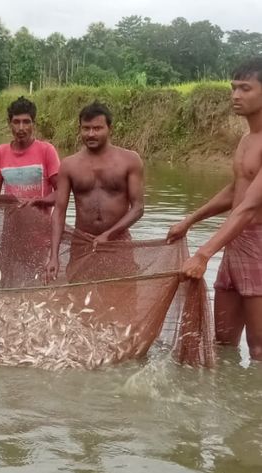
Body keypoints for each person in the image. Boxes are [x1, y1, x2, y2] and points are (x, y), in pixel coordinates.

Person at [167, 57, 262, 360]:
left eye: (245, 88)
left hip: (258, 247)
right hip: (234, 245)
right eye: (233, 88)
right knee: (222, 343)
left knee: (259, 348)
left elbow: (249, 207)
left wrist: (203, 253)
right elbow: (236, 190)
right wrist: (190, 220)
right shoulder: (247, 140)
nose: (235, 95)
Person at [45, 102, 145, 283]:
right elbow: (59, 212)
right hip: (82, 242)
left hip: (118, 243)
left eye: (97, 128)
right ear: (80, 129)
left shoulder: (130, 160)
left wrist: (109, 235)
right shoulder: (69, 165)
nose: (91, 134)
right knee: (78, 302)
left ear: (109, 128)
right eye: (86, 128)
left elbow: (138, 208)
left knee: (123, 297)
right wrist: (54, 256)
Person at [0, 96, 61, 207]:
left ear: (34, 124)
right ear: (9, 123)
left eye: (26, 122)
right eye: (16, 122)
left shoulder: (47, 151)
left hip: (40, 223)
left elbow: (61, 192)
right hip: (10, 223)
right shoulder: (0, 152)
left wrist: (40, 202)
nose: (21, 128)